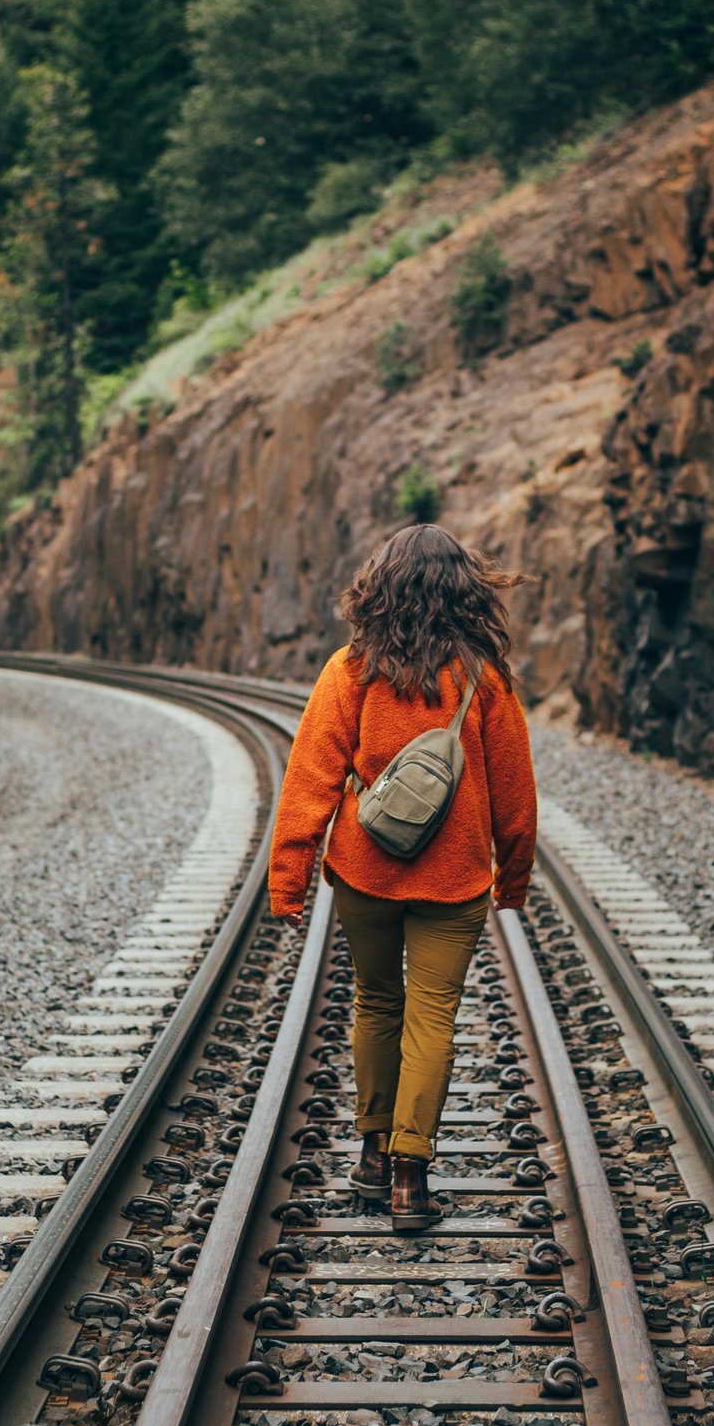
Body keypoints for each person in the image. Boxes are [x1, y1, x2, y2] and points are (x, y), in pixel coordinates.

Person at [269, 525, 538, 1230]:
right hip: (454, 881)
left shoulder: (349, 670)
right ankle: (410, 1179)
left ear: (378, 586)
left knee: (376, 1002)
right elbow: (515, 798)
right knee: (433, 1015)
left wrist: (290, 879)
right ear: (466, 589)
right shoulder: (486, 677)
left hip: (366, 871)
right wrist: (511, 880)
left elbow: (310, 780)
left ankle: (369, 1153)